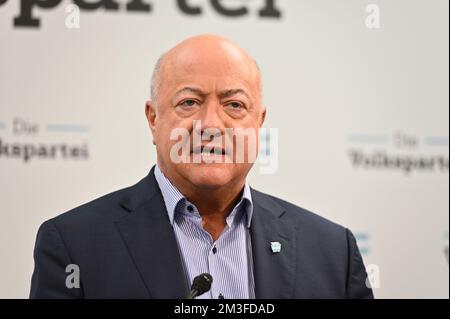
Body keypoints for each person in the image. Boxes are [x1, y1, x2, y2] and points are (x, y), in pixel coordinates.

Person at [30, 34, 373, 299]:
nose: (210, 124)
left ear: (259, 123)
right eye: (189, 102)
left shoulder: (332, 251)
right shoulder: (74, 244)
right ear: (153, 119)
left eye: (234, 104)